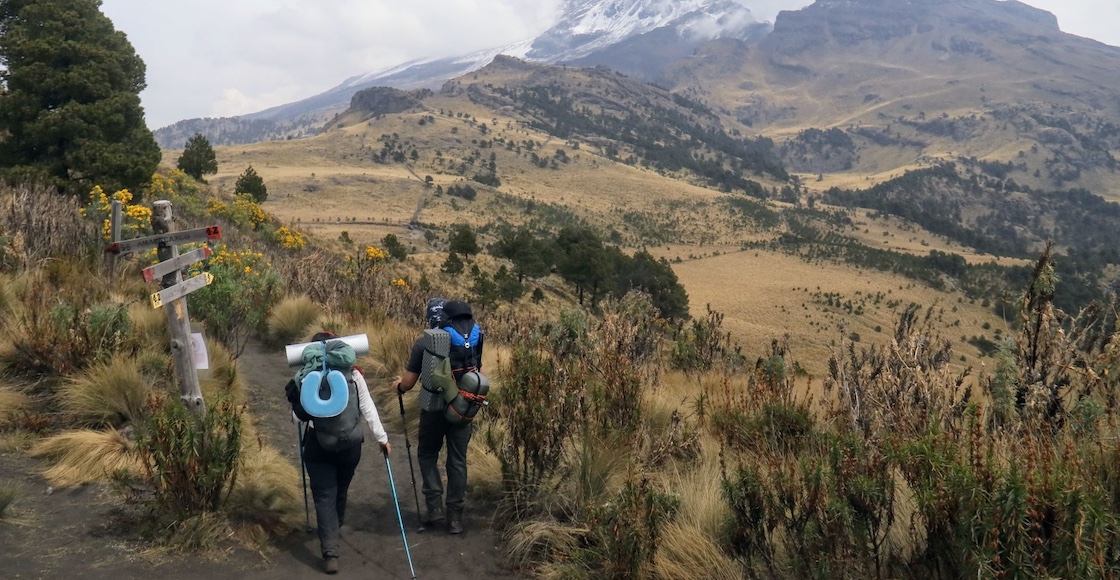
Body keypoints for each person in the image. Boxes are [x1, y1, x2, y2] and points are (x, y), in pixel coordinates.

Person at [287, 331, 391, 575]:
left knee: (324, 496)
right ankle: (336, 524)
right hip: (350, 446)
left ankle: (330, 552)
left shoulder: (307, 378)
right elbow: (367, 407)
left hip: (317, 446)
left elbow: (296, 418)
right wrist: (382, 438)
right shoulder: (354, 375)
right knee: (340, 489)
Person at [392, 299, 483, 535]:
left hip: (434, 408)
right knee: (457, 460)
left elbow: (409, 383)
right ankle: (455, 518)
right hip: (463, 407)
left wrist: (399, 387)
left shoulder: (424, 343)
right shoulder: (474, 338)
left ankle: (434, 508)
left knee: (427, 453)